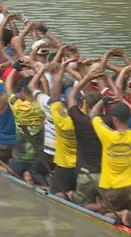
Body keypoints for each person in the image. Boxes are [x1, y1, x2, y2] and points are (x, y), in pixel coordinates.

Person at [90, 99, 131, 227]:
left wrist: (103, 100)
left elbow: (93, 114)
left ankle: (121, 214)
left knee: (103, 216)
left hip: (112, 187)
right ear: (128, 118)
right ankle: (127, 216)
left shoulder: (107, 134)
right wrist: (125, 101)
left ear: (114, 119)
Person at [67, 69, 105, 209]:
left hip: (85, 174)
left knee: (81, 206)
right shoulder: (108, 122)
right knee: (102, 204)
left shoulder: (79, 120)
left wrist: (87, 77)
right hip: (104, 174)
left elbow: (71, 96)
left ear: (86, 106)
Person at [48, 60, 78, 198]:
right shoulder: (85, 119)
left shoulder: (61, 119)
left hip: (64, 167)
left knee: (54, 196)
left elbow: (54, 95)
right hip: (81, 168)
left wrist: (59, 72)